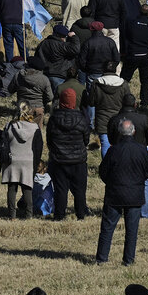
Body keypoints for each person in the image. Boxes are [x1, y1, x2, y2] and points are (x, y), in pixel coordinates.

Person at [96, 119, 148, 266]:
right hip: (134, 194)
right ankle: (128, 259)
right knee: (132, 230)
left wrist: (112, 183)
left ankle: (102, 258)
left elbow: (103, 171)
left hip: (115, 193)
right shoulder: (142, 150)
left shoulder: (113, 150)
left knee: (107, 228)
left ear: (120, 132)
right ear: (133, 131)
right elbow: (147, 172)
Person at [46, 88, 91, 221]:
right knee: (80, 190)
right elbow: (86, 139)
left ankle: (59, 215)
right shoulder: (81, 118)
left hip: (59, 160)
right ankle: (80, 214)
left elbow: (49, 139)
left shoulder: (54, 118)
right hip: (78, 161)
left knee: (60, 190)